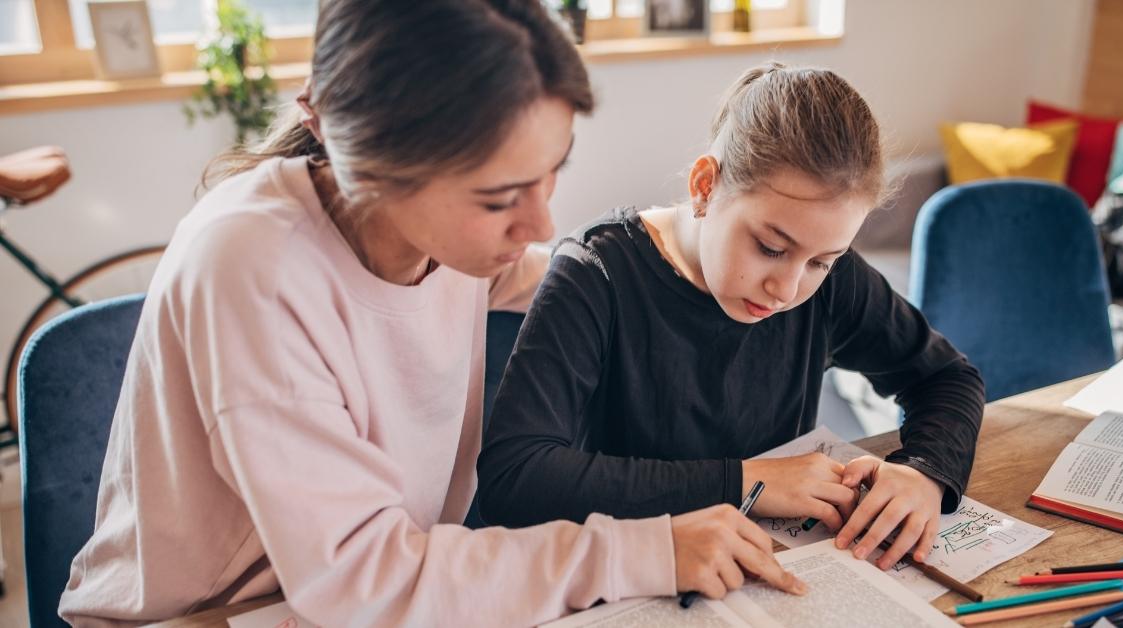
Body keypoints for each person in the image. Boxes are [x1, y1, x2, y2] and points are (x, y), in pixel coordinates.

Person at [58, 3, 804, 626]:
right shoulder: (249, 266)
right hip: (212, 614)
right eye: (497, 197)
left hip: (363, 592)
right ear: (370, 165)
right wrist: (644, 548)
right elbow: (368, 579)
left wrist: (693, 254)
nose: (540, 223)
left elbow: (584, 285)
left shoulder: (449, 244)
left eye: (552, 173)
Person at [477, 63, 986, 572]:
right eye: (769, 247)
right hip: (628, 575)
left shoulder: (834, 283)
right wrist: (748, 482)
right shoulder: (597, 274)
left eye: (820, 262)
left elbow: (948, 376)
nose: (787, 289)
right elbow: (515, 476)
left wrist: (923, 471)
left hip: (778, 573)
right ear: (704, 187)